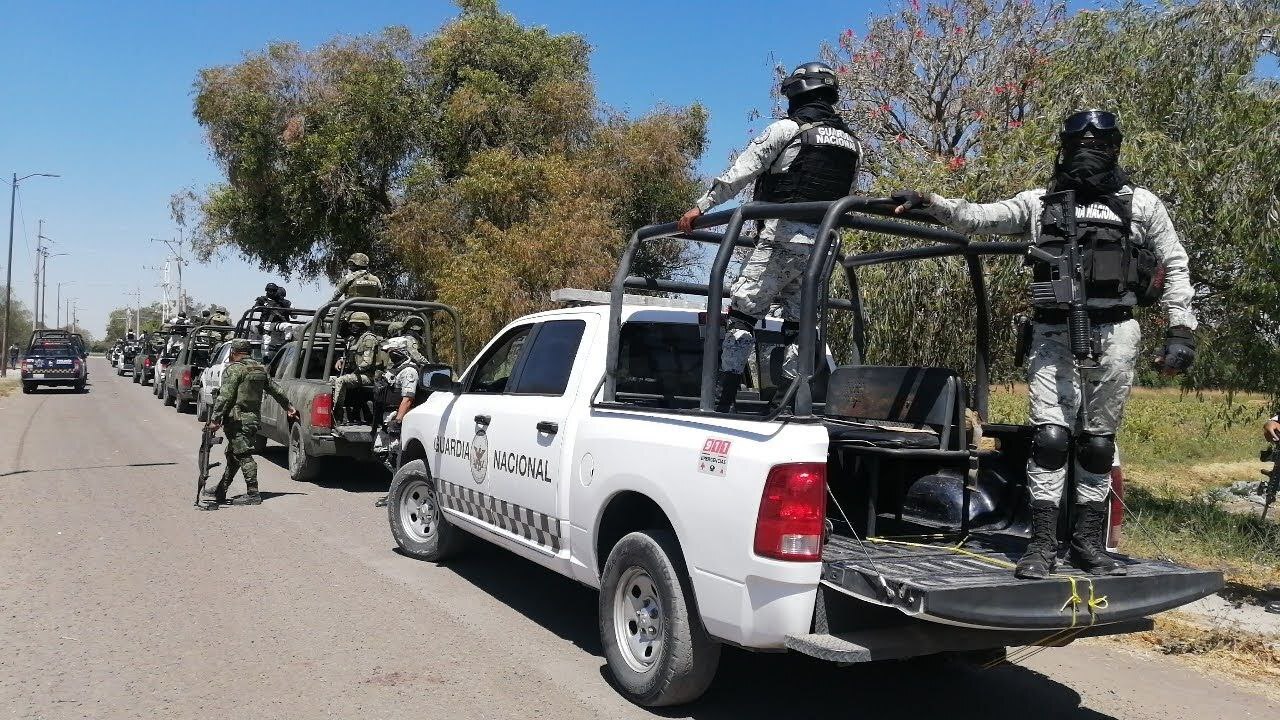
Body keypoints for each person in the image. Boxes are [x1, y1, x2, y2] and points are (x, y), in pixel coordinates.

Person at [893, 109, 1198, 579]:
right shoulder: (1040, 203)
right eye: (1080, 145)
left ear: (1115, 148)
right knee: (1051, 439)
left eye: (1099, 145)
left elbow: (1175, 264)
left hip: (1117, 331)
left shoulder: (1143, 205)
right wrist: (930, 200)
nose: (1088, 154)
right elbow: (977, 217)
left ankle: (1089, 545)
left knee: (1098, 444)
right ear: (1064, 148)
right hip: (1052, 333)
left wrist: (1181, 329)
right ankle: (1040, 545)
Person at [676, 61, 861, 412]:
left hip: (780, 239)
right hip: (821, 247)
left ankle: (723, 394)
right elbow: (846, 196)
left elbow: (741, 171)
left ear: (796, 92)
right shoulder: (853, 144)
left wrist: (700, 207)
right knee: (798, 324)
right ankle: (787, 402)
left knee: (743, 314)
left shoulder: (788, 129)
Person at [198, 339, 297, 509]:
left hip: (237, 420)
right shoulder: (260, 369)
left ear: (233, 352)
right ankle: (221, 489)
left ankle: (253, 493)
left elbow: (225, 396)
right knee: (233, 454)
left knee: (243, 455)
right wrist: (288, 406)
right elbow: (275, 389)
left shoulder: (235, 369)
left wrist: (215, 420)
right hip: (252, 420)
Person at [371, 341, 422, 507]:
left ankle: (397, 494)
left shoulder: (409, 371)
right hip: (386, 417)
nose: (390, 354)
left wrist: (398, 420)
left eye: (393, 351)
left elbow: (408, 398)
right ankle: (397, 490)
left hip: (397, 417)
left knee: (396, 455)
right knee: (380, 451)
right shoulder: (395, 369)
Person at [332, 311, 384, 423]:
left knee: (341, 381)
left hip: (370, 376)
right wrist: (341, 360)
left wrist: (353, 372)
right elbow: (353, 355)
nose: (352, 327)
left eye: (355, 324)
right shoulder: (355, 338)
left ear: (363, 325)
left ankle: (337, 413)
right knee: (332, 380)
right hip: (359, 374)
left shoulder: (369, 339)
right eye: (352, 324)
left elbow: (367, 362)